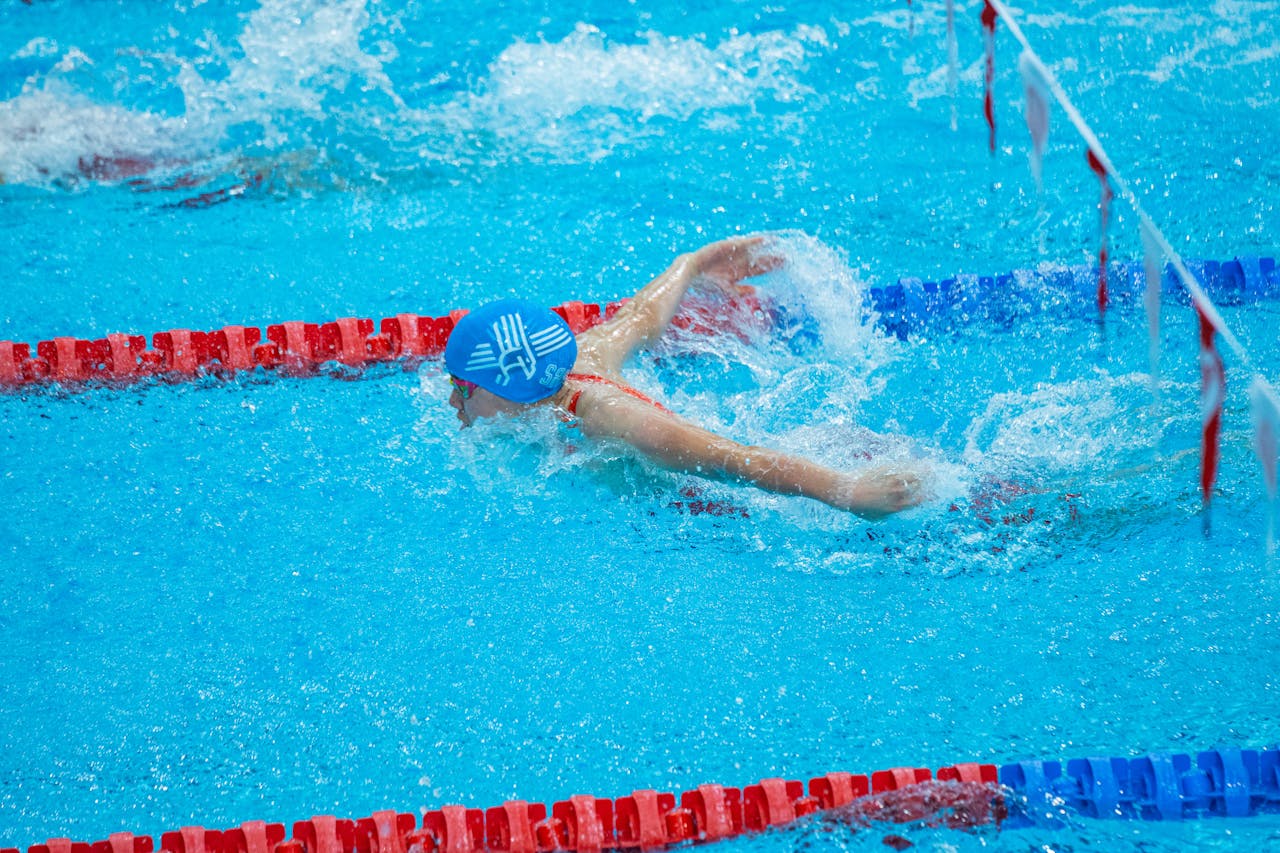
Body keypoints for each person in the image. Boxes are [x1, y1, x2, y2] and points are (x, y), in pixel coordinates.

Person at [443, 235, 928, 518]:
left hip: (784, 483)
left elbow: (735, 458)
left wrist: (848, 492)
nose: (450, 400)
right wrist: (691, 264)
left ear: (509, 387)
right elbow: (639, 317)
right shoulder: (580, 361)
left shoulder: (612, 418)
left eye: (461, 388)